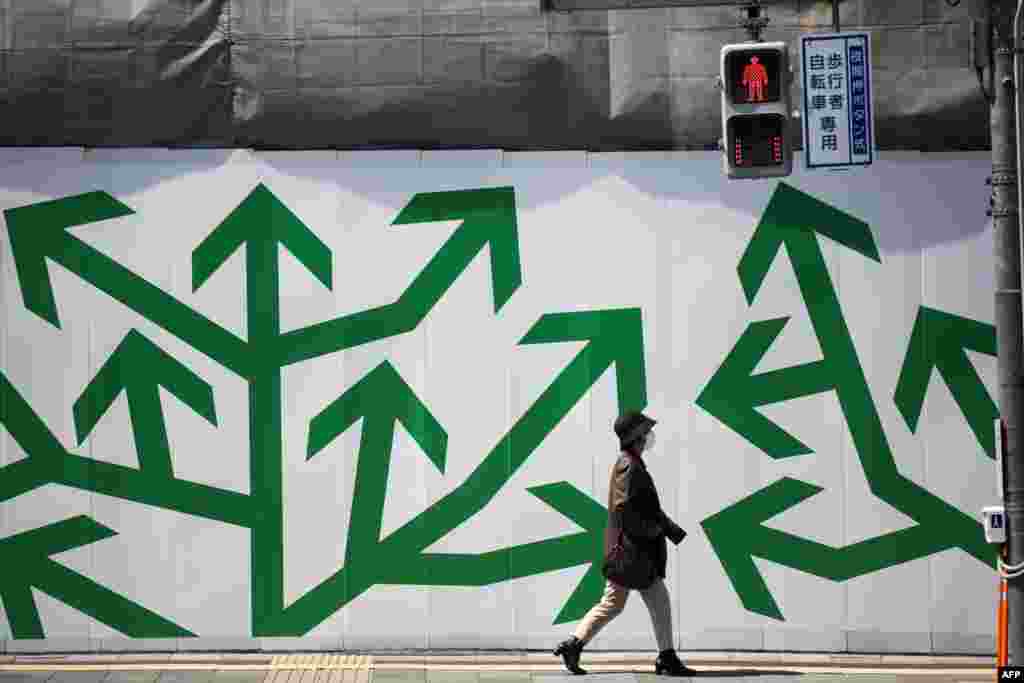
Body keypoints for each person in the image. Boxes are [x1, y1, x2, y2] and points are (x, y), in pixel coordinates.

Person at [553, 410, 695, 677]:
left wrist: (670, 529)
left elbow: (645, 507)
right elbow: (625, 510)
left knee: (613, 602)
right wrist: (654, 531)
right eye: (645, 433)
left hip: (628, 551)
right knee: (658, 600)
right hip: (634, 552)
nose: (649, 437)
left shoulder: (631, 463)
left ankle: (574, 644)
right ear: (636, 437)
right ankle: (666, 657)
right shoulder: (629, 466)